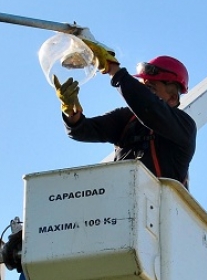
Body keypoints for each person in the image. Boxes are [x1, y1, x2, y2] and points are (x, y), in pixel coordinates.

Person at [54, 44, 196, 187]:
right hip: (122, 201)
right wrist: (71, 111)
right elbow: (82, 130)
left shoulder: (184, 126)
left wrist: (113, 70)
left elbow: (149, 107)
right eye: (142, 87)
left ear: (172, 98)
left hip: (160, 206)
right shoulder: (127, 119)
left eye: (150, 88)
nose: (142, 93)